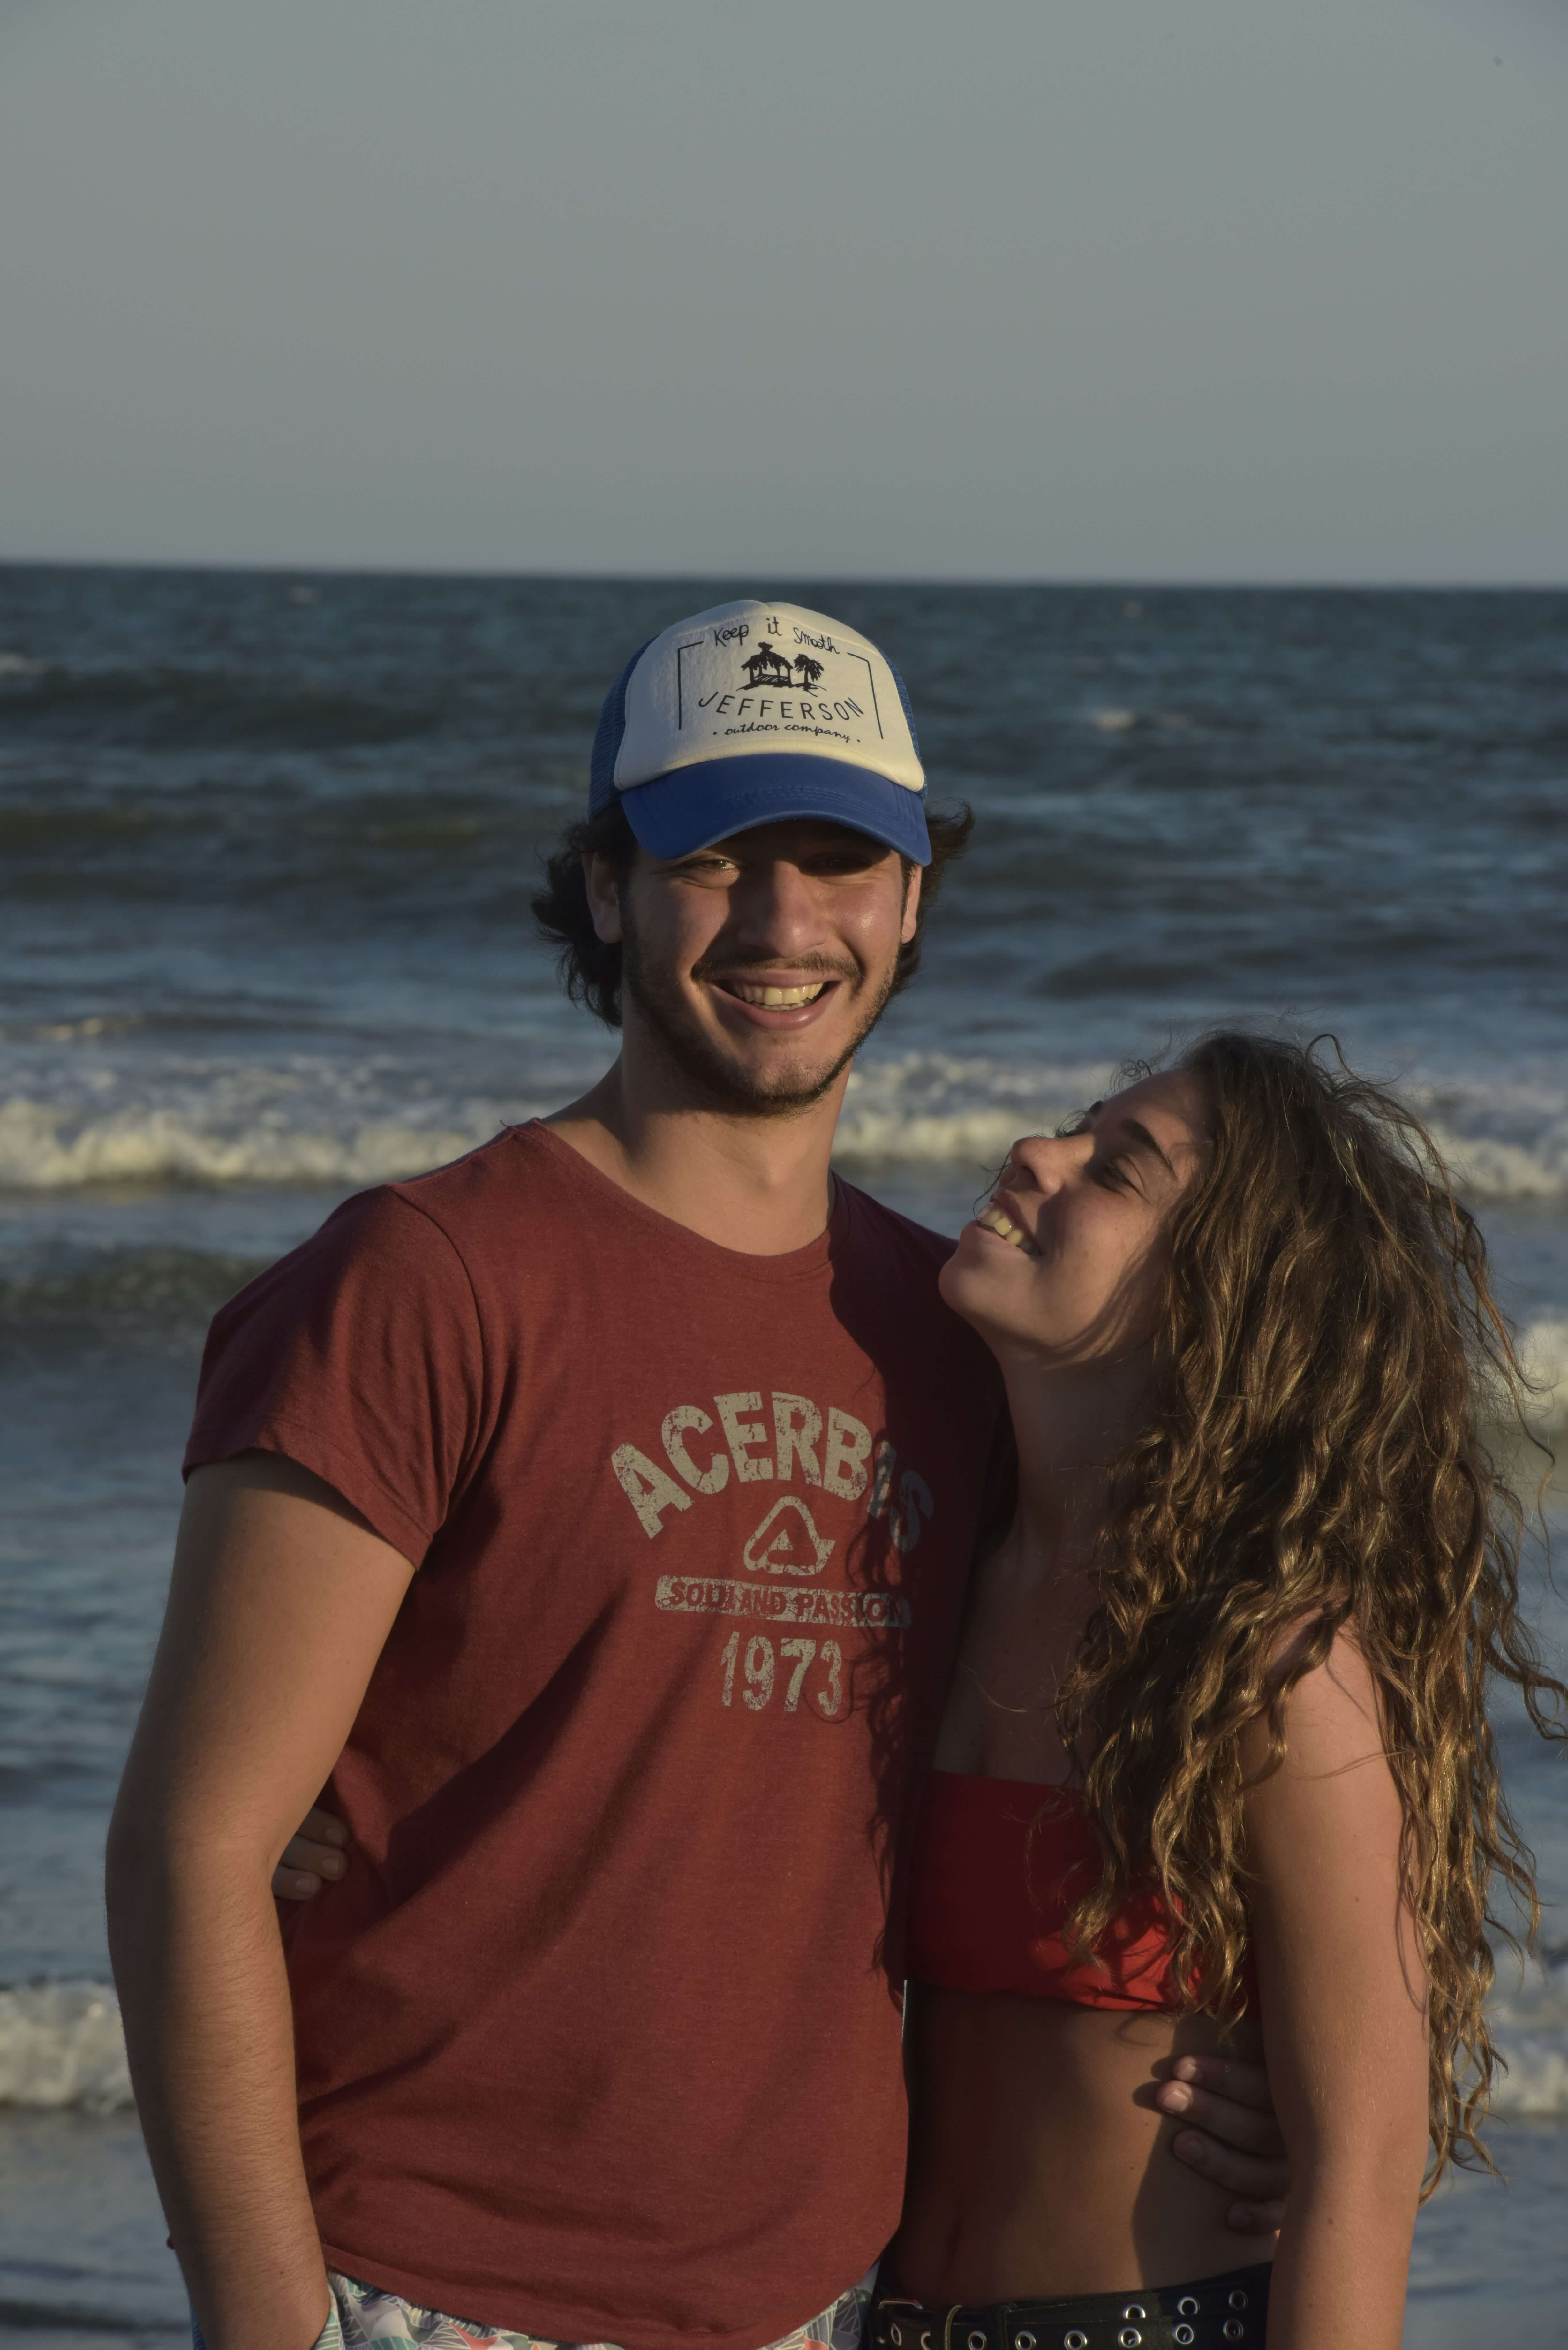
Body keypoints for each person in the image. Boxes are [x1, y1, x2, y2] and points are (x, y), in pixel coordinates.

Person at [106, 601, 1288, 2350]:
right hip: (435, 2288)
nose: (785, 924)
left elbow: (1142, 1713)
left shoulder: (954, 1335)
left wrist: (1238, 2062)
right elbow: (190, 1847)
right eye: (715, 858)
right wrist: (273, 2324)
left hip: (827, 2299)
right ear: (609, 889)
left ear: (910, 898)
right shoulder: (423, 1278)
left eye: (841, 860)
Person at [863, 1033, 1566, 2350]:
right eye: (1078, 1124)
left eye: (1114, 1168)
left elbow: (1362, 2161)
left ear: (1216, 1301)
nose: (1037, 1152)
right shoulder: (928, 1567)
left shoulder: (1273, 1664)